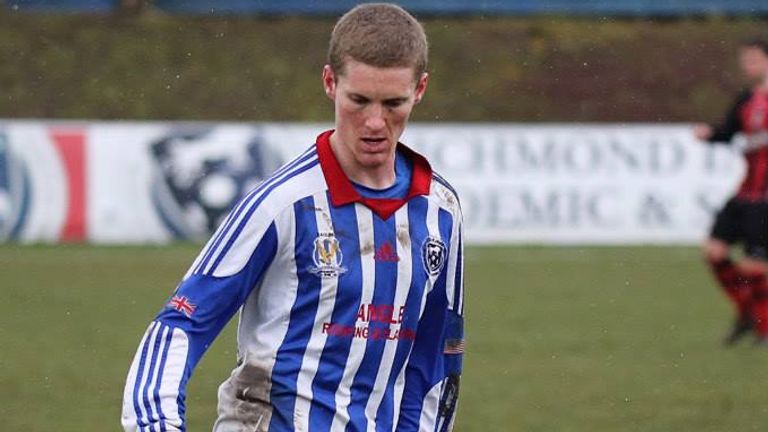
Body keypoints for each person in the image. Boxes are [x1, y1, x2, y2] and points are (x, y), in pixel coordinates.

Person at [121, 3, 465, 431]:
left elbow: (436, 359)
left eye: (393, 103)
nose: (375, 122)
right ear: (329, 82)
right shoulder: (282, 203)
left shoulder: (440, 210)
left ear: (420, 90)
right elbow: (181, 324)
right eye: (358, 100)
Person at [695, 38, 768, 345]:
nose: (747, 65)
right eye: (745, 59)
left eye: (753, 59)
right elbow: (728, 132)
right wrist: (710, 135)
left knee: (755, 265)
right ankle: (747, 312)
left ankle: (763, 327)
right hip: (744, 194)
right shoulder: (746, 99)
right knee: (714, 251)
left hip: (766, 199)